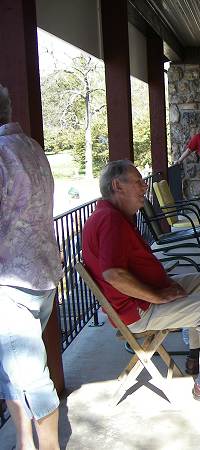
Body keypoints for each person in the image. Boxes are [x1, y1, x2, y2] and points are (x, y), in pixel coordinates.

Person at [82, 160, 200, 406]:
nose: (143, 188)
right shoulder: (109, 220)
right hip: (138, 311)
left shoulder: (113, 215)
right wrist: (156, 297)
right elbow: (113, 274)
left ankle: (196, 354)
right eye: (138, 182)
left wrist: (159, 288)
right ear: (117, 186)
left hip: (145, 298)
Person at [0, 84, 63, 449]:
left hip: (9, 282)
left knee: (31, 376)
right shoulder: (30, 147)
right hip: (41, 274)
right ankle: (25, 442)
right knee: (14, 371)